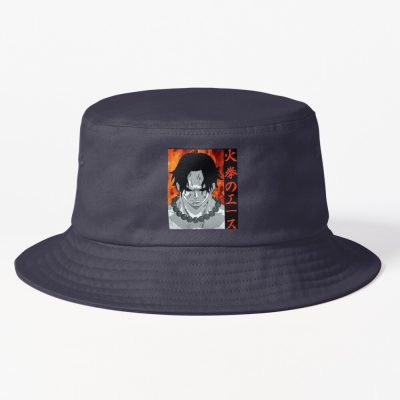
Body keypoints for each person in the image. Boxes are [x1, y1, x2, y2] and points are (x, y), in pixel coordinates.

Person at [168, 152, 225, 229]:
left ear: (212, 187)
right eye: (189, 190)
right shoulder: (169, 216)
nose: (196, 196)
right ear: (178, 186)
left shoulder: (224, 216)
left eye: (201, 190)